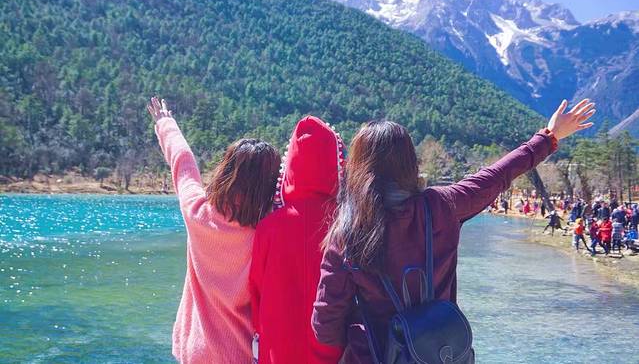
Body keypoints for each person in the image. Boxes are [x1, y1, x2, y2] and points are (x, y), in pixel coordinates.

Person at [312, 99, 595, 362]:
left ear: (358, 167)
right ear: (410, 163)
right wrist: (548, 137)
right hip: (441, 354)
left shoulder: (347, 232)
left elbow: (325, 325)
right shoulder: (442, 206)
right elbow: (497, 176)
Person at [147, 97, 280, 363]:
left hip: (196, 352)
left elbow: (183, 164)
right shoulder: (268, 232)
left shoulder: (198, 213)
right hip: (242, 354)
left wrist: (166, 123)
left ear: (225, 171)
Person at [249, 116, 345, 364]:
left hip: (278, 351)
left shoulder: (268, 227)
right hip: (333, 354)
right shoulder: (346, 224)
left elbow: (256, 293)